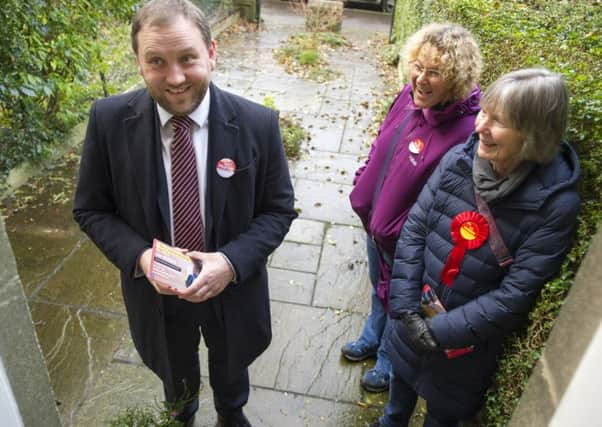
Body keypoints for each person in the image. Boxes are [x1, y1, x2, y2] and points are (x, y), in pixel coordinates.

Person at [72, 1, 297, 426]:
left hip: (232, 290)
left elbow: (277, 211)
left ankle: (231, 412)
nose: (175, 78)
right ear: (138, 62)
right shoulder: (107, 121)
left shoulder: (257, 124)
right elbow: (92, 209)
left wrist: (229, 264)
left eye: (188, 58)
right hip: (157, 297)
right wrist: (142, 259)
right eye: (156, 61)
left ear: (211, 52)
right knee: (175, 373)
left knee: (232, 365)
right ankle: (183, 413)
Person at [373, 68, 580, 427]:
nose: (479, 126)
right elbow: (415, 230)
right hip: (412, 318)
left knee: (441, 417)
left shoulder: (554, 204)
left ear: (534, 134)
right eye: (484, 112)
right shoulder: (459, 158)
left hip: (463, 348)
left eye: (497, 121)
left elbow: (516, 294)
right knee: (397, 393)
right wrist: (406, 307)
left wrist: (438, 332)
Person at [344, 23, 482, 393]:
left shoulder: (466, 131)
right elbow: (381, 142)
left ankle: (389, 358)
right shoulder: (408, 96)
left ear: (455, 77)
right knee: (378, 289)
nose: (420, 78)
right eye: (418, 66)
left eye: (434, 72)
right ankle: (372, 335)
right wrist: (363, 182)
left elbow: (450, 201)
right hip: (374, 226)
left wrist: (405, 234)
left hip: (407, 244)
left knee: (399, 300)